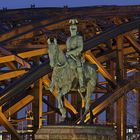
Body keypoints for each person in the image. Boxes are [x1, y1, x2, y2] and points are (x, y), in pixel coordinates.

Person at [66, 19, 85, 92]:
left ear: (76, 28)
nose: (72, 28)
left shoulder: (79, 38)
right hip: (69, 57)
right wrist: (68, 53)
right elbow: (68, 49)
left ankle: (82, 84)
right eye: (71, 27)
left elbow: (80, 48)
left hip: (76, 56)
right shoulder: (68, 39)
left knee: (79, 68)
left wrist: (70, 52)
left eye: (74, 27)